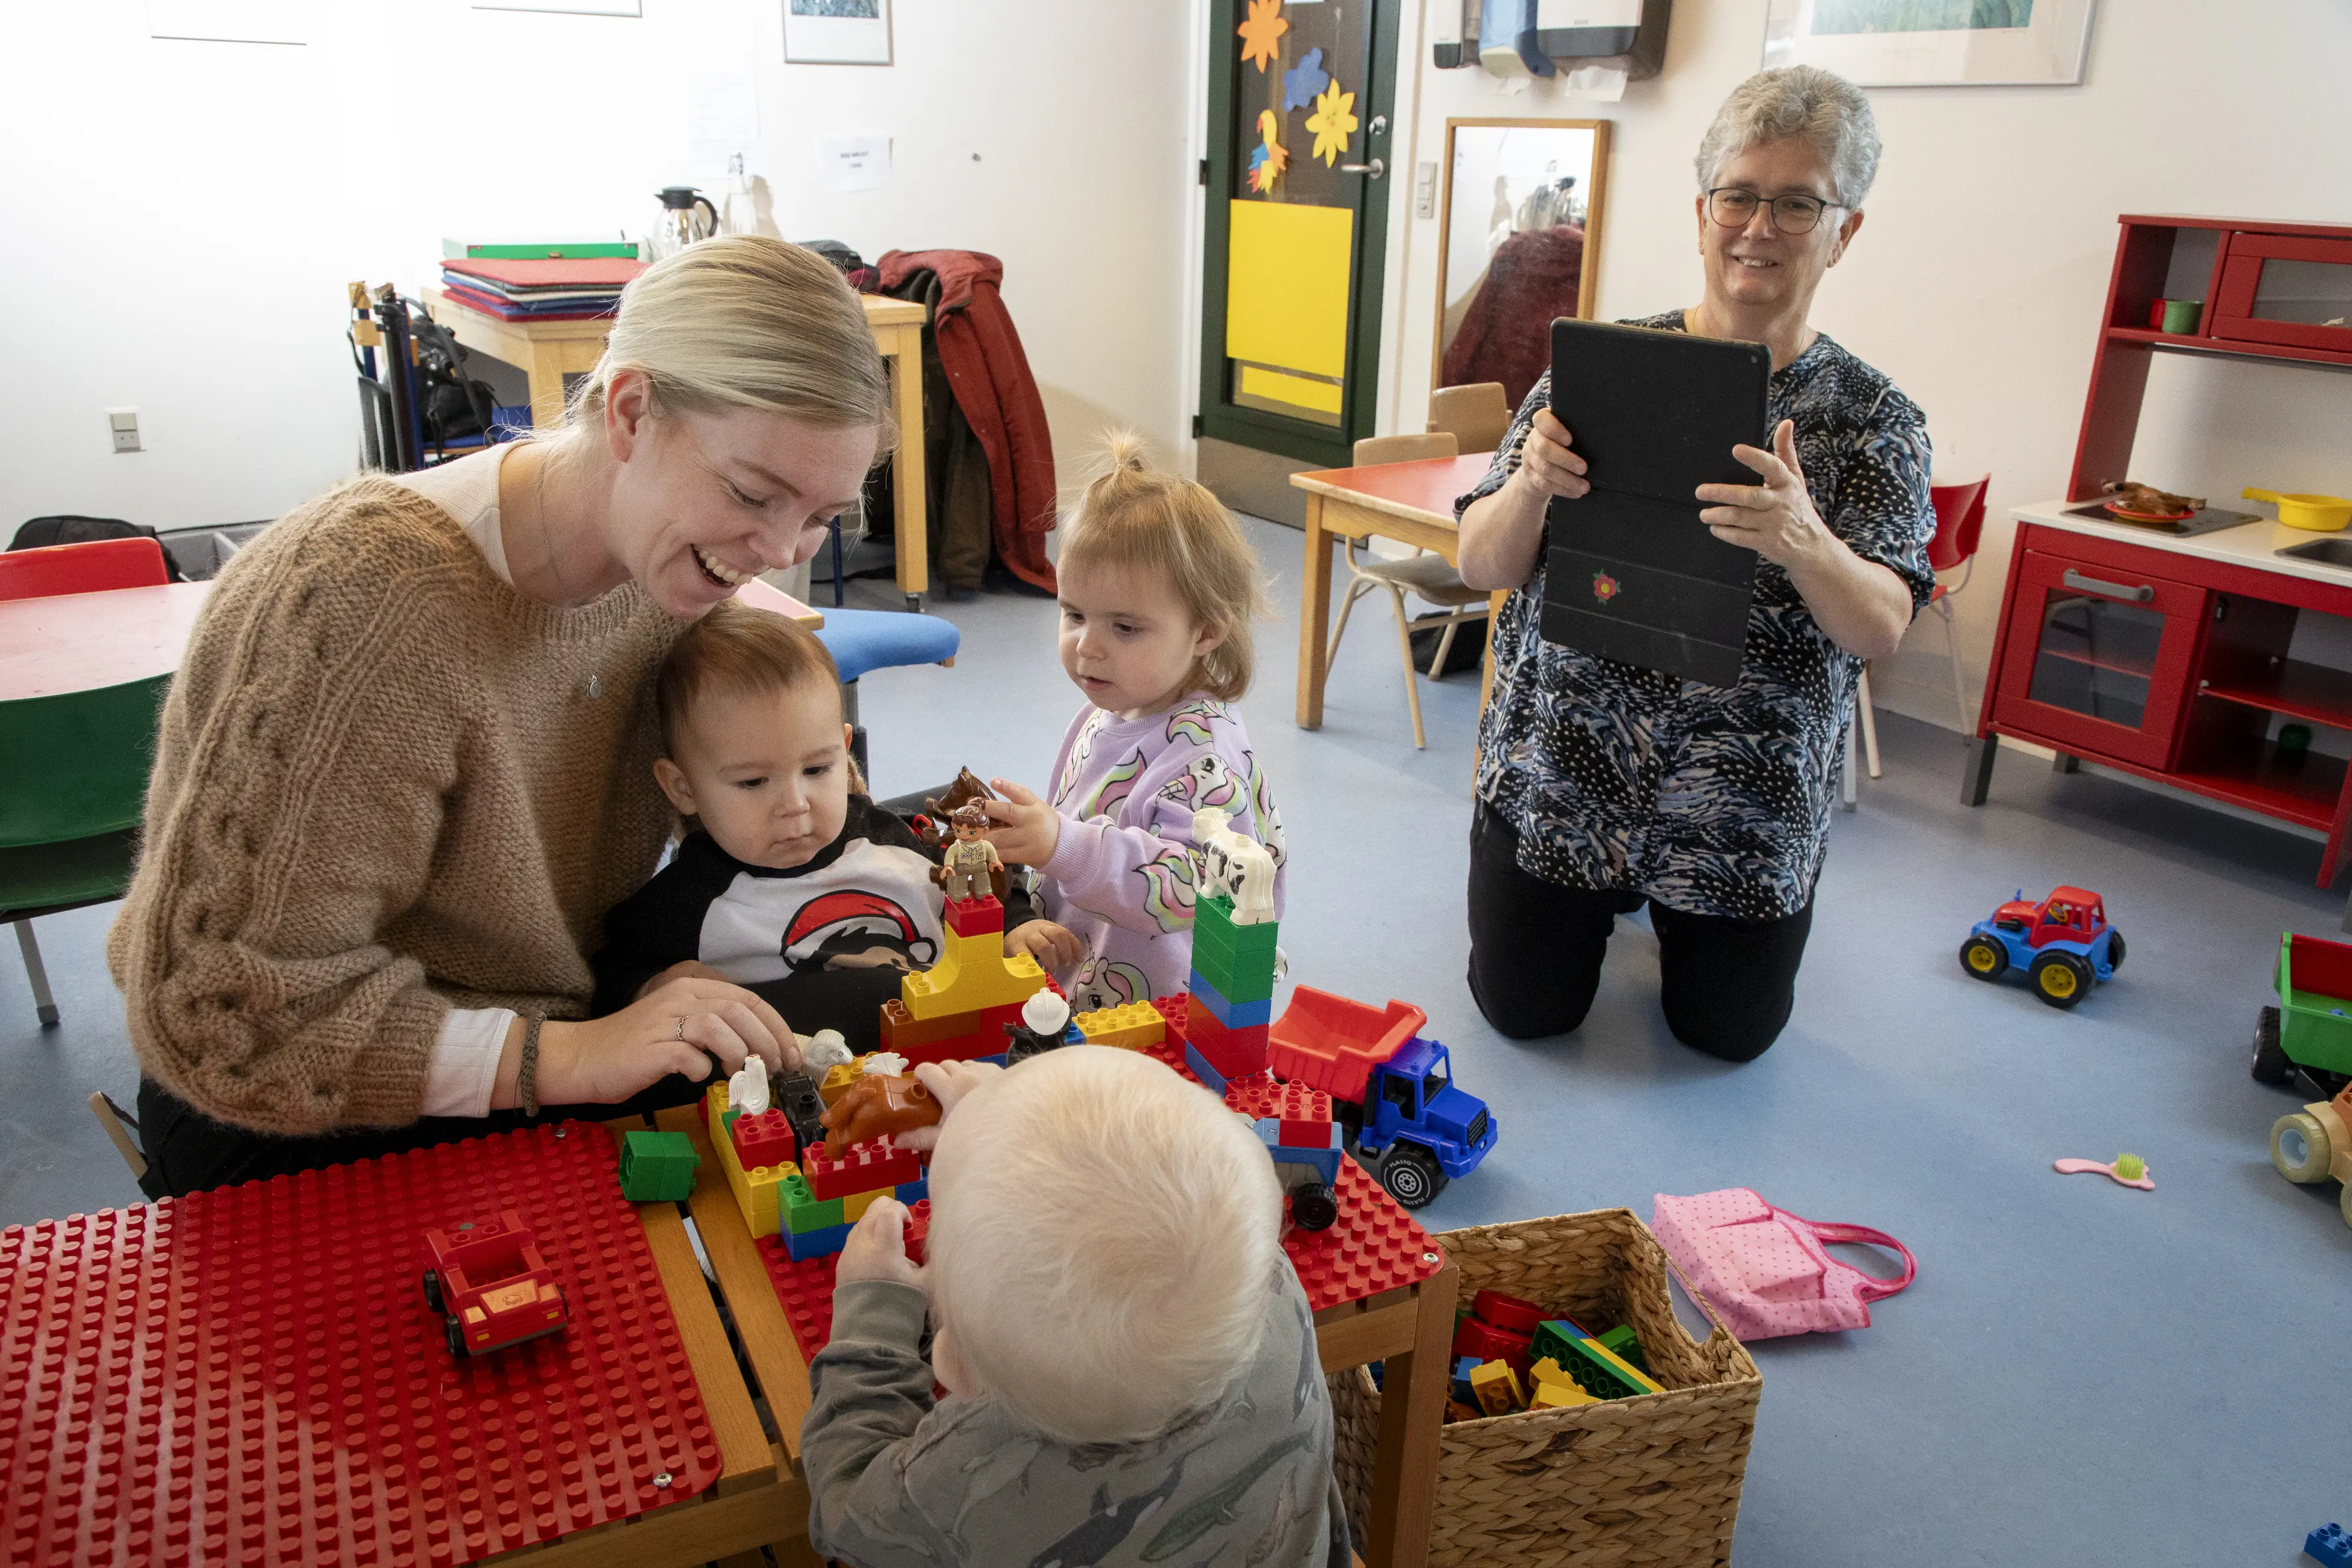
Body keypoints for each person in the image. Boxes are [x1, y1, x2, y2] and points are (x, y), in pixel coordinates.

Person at [112, 237, 893, 1196]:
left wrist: (652, 982)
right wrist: (566, 1056)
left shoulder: (668, 575)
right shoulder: (366, 604)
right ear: (631, 409)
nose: (776, 550)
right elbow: (225, 1016)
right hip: (295, 1108)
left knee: (870, 1011)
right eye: (750, 493)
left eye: (819, 515)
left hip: (545, 1024)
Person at [1454, 65, 1935, 1063]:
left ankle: (1678, 918)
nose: (1757, 226)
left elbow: (1880, 624)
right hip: (1562, 783)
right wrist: (1532, 483)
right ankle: (1594, 897)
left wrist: (1802, 538)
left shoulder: (1876, 419)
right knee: (1522, 1012)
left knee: (1724, 1038)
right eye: (1737, 195)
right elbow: (1476, 560)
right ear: (1701, 211)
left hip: (1742, 806)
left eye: (1796, 202)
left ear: (1844, 230)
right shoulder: (1598, 365)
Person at [803, 1048, 1348, 1567]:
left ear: (954, 1365)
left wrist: (873, 1310)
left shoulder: (957, 1475)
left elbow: (845, 1514)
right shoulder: (1269, 1286)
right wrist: (998, 1123)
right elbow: (1127, 1208)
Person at [588, 601, 1048, 1052]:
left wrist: (1017, 926)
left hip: (955, 1053)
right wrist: (654, 988)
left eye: (816, 770)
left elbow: (978, 887)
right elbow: (609, 987)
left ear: (843, 751)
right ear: (683, 787)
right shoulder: (683, 904)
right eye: (753, 781)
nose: (794, 805)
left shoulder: (890, 838)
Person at [977, 438, 1287, 1014]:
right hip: (1084, 974)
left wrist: (1061, 846)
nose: (1086, 647)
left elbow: (1191, 887)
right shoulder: (1110, 707)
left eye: (1124, 627)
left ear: (1204, 632)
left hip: (1157, 1013)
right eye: (1073, 615)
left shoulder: (1203, 760)